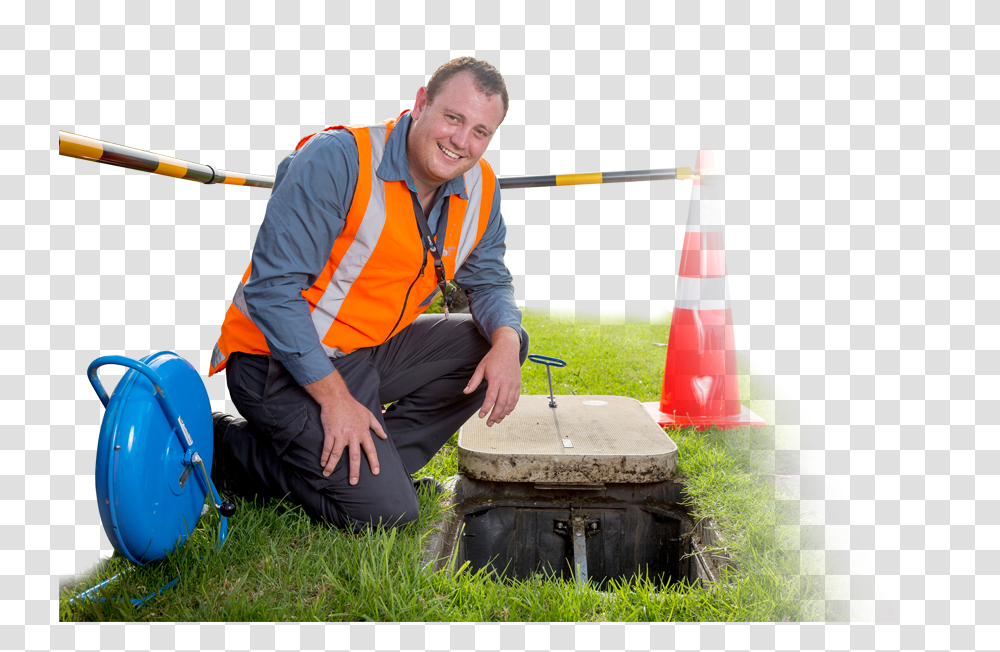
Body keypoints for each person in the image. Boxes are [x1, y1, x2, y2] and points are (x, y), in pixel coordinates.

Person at [207, 57, 528, 531]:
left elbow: (490, 279)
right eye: (453, 118)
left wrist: (506, 341)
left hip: (363, 351)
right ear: (421, 104)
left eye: (481, 131)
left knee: (501, 341)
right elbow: (272, 292)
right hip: (275, 363)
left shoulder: (480, 188)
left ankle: (383, 468)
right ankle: (230, 450)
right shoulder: (337, 159)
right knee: (387, 514)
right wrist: (336, 400)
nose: (462, 141)